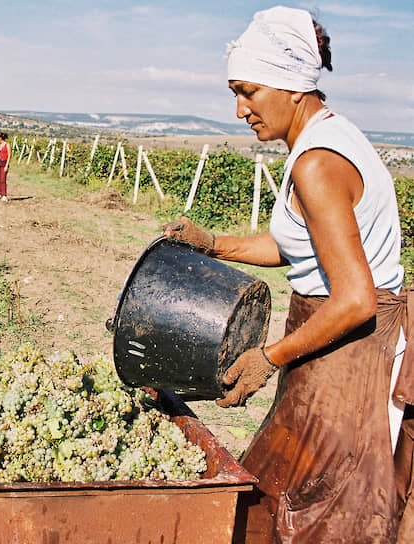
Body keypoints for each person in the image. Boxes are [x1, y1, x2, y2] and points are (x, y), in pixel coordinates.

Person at [162, 6, 412, 543]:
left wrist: (268, 358)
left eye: (248, 91)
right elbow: (300, 247)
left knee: (327, 510)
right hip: (330, 350)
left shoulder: (317, 162)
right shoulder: (323, 139)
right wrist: (215, 244)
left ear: (292, 85)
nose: (239, 109)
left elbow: (354, 300)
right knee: (289, 495)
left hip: (353, 359)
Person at [0, 132, 11, 201]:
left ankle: (4, 194)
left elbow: (9, 155)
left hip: (4, 162)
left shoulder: (7, 145)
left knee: (3, 179)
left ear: (0, 138)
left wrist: (7, 165)